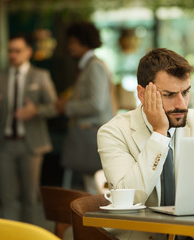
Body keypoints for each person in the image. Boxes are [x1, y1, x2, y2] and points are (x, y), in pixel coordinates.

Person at [97, 48, 194, 239]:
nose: (181, 104)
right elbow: (129, 198)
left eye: (185, 92)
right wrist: (159, 133)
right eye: (169, 95)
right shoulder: (113, 132)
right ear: (142, 94)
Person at [0, 34, 58, 224]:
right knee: (7, 197)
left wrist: (36, 111)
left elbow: (54, 107)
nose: (12, 55)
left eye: (17, 50)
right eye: (9, 50)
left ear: (28, 52)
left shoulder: (41, 76)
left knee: (30, 197)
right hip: (4, 144)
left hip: (30, 144)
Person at [56, 21, 115, 193]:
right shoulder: (88, 66)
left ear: (83, 41)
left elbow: (96, 103)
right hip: (90, 134)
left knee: (96, 186)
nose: (70, 47)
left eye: (72, 42)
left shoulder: (94, 66)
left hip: (94, 133)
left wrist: (67, 107)